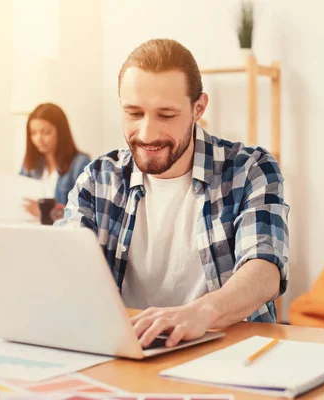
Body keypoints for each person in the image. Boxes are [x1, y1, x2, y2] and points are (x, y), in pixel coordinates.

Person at [56, 38, 289, 349]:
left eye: (166, 115)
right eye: (134, 113)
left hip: (228, 352)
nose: (147, 133)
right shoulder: (99, 178)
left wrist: (200, 313)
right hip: (126, 351)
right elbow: (66, 263)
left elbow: (264, 270)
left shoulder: (250, 169)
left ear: (198, 108)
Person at [20, 103, 91, 219]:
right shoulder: (30, 164)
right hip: (30, 230)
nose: (39, 139)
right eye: (33, 133)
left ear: (60, 132)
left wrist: (45, 213)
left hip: (61, 234)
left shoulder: (80, 164)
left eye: (46, 132)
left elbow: (85, 213)